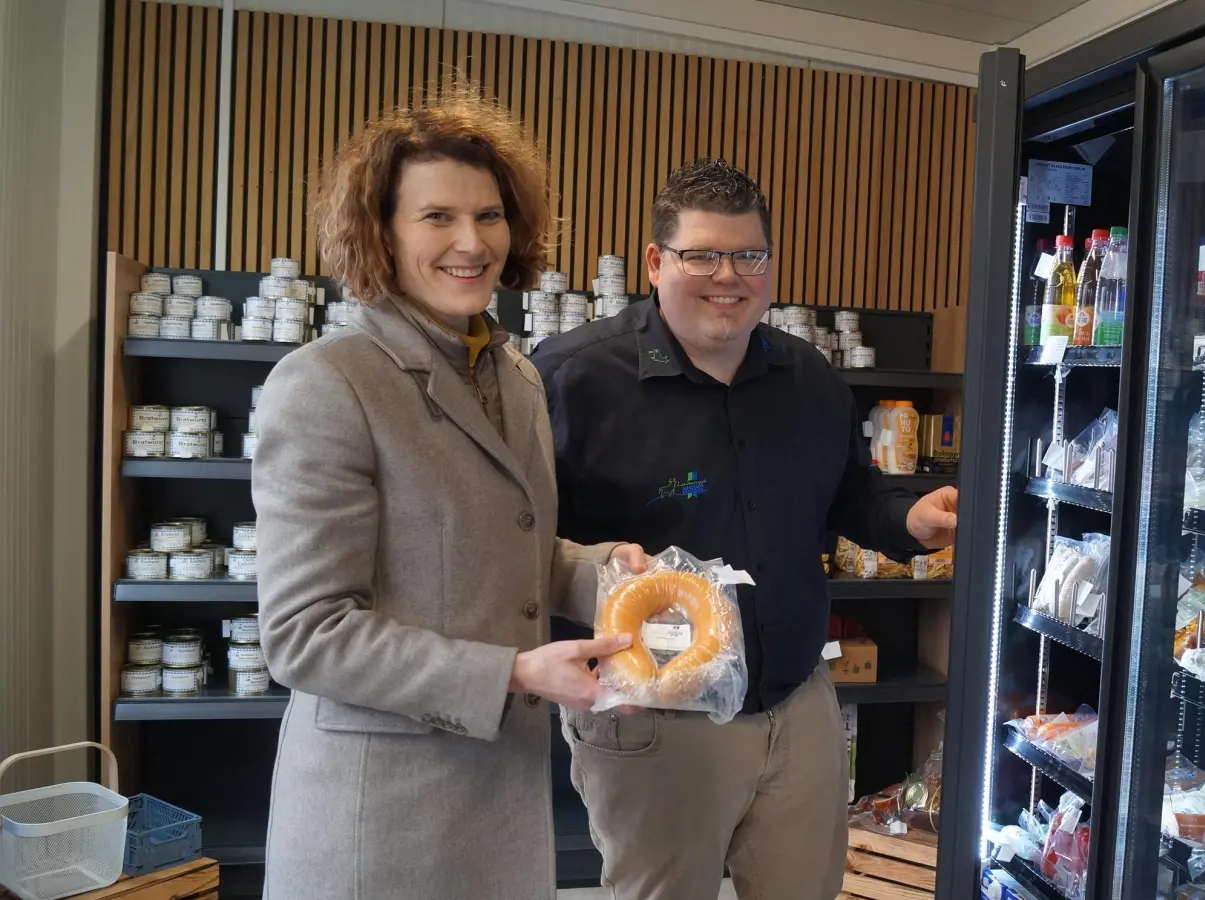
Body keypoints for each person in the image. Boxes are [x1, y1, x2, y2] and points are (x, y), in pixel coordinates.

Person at [251, 90, 647, 900]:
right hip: (383, 822)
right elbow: (304, 635)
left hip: (500, 804)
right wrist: (515, 672)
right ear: (382, 232)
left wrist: (607, 573)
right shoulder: (328, 383)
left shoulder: (517, 377)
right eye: (437, 217)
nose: (472, 243)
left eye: (490, 215)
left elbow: (510, 550)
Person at [532, 158, 960, 900]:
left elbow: (851, 496)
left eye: (748, 255)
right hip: (655, 717)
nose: (727, 275)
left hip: (797, 704)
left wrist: (908, 521)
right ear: (656, 262)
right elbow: (525, 545)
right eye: (702, 254)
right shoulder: (572, 380)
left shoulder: (809, 376)